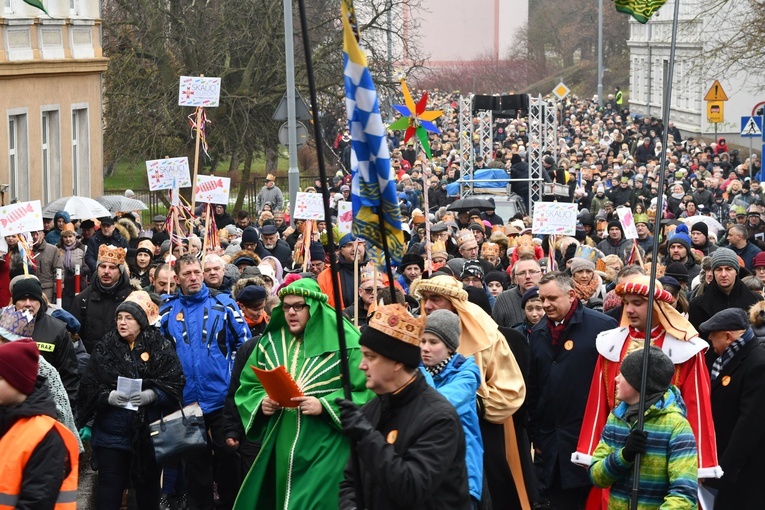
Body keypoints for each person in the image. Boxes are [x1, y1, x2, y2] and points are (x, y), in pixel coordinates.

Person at [573, 275, 721, 506]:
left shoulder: (685, 349)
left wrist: (700, 465)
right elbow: (599, 402)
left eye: (638, 303)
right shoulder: (611, 344)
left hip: (668, 448)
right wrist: (592, 450)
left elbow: (697, 408)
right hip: (619, 448)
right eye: (626, 303)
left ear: (657, 305)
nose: (630, 309)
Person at [233, 278, 372, 509]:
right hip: (282, 444)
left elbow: (368, 392)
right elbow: (248, 386)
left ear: (314, 306)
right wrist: (262, 402)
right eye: (286, 306)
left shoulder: (347, 343)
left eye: (298, 306)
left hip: (326, 443)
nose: (290, 312)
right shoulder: (269, 342)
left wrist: (325, 405)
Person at [336, 303, 471, 509]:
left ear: (397, 362)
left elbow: (411, 489)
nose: (361, 365)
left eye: (371, 357)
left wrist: (366, 436)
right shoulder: (371, 410)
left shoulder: (438, 418)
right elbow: (350, 481)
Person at [410, 275, 529, 508]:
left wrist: (473, 404)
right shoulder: (417, 332)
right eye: (425, 299)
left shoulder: (486, 333)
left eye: (435, 299)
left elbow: (510, 388)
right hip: (424, 428)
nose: (428, 306)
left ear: (454, 303)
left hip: (482, 426)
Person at [158, 255, 250, 510]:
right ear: (177, 278)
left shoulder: (224, 304)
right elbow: (158, 353)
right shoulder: (166, 312)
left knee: (229, 460)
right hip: (187, 402)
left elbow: (245, 345)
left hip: (222, 398)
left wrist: (233, 379)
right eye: (187, 273)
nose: (194, 277)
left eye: (197, 272)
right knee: (196, 468)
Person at [78, 291, 185, 509]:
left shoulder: (160, 346)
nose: (122, 322)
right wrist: (107, 397)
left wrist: (153, 395)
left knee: (148, 491)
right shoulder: (105, 347)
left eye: (129, 318)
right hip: (111, 435)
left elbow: (175, 383)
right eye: (119, 317)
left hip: (149, 434)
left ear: (141, 321)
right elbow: (88, 385)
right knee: (109, 490)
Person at [527, 272, 617, 509]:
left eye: (552, 298)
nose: (545, 305)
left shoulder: (602, 326)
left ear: (571, 295)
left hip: (589, 440)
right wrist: (537, 436)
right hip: (551, 443)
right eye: (542, 298)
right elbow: (534, 388)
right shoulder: (537, 333)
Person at [589, 347, 698, 509]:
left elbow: (684, 495)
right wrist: (624, 456)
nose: (616, 379)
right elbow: (597, 477)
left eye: (623, 375)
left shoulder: (676, 426)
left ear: (639, 383)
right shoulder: (616, 418)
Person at [0, 339, 79, 509]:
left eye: (0, 378)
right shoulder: (7, 423)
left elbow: (36, 501)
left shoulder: (46, 436)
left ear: (17, 381)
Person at [700, 308, 765, 508]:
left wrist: (723, 470)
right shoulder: (732, 359)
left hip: (744, 471)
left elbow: (748, 425)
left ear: (728, 337)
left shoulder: (757, 364)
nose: (711, 341)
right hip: (730, 467)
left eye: (713, 336)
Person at [420, 310, 483, 506]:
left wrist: (417, 367)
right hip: (427, 467)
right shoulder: (418, 369)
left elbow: (436, 404)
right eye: (422, 341)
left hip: (461, 471)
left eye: (433, 342)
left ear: (449, 347)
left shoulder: (467, 375)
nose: (425, 348)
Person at [11, 276, 80, 411]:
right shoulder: (3, 328)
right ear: (15, 302)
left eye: (33, 299)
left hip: (44, 407)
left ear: (40, 300)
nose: (28, 304)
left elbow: (69, 376)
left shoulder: (57, 329)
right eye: (22, 299)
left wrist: (65, 410)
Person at [72, 244, 134, 353]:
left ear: (120, 271)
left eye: (112, 267)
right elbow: (74, 337)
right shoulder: (82, 299)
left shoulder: (132, 299)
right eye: (102, 266)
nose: (106, 271)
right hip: (90, 362)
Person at [688, 248, 761, 333]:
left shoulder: (756, 302)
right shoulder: (696, 305)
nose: (723, 274)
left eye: (728, 269)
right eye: (719, 269)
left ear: (736, 271)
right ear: (713, 272)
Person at [493, 256, 543, 328]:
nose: (528, 276)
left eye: (532, 272)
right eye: (522, 273)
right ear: (515, 278)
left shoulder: (550, 296)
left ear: (540, 275)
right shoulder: (503, 299)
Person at [57, 225, 90, 312]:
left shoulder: (83, 248)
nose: (68, 239)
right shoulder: (57, 248)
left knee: (78, 310)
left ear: (75, 236)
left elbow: (88, 266)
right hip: (64, 286)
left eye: (70, 236)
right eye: (65, 237)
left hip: (78, 285)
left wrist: (78, 272)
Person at [30, 229, 62, 302]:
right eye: (32, 234)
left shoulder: (52, 249)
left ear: (43, 235)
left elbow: (58, 268)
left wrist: (57, 286)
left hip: (47, 287)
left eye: (37, 234)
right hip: (30, 286)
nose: (35, 237)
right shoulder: (26, 250)